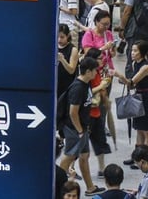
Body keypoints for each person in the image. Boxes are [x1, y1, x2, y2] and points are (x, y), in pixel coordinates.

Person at [59, 57, 98, 195]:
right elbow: (72, 112)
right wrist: (80, 130)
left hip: (82, 128)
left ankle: (90, 187)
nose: (96, 73)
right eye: (94, 71)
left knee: (84, 156)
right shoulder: (78, 87)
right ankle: (59, 187)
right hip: (75, 129)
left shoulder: (86, 84)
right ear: (88, 71)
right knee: (69, 157)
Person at [113, 39, 148, 148]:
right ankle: (137, 155)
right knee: (140, 129)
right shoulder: (135, 63)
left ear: (142, 52)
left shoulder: (145, 67)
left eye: (135, 51)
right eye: (132, 50)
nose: (132, 53)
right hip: (139, 96)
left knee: (147, 130)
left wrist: (120, 76)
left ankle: (146, 156)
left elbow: (132, 82)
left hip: (147, 98)